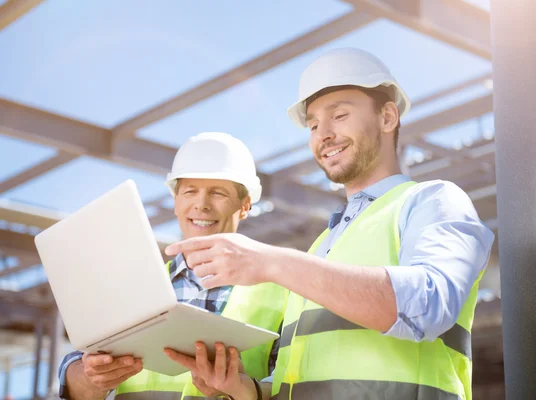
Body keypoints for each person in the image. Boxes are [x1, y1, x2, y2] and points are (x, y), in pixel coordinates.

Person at [163, 48, 495, 400]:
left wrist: (270, 262)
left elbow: (429, 305)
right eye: (314, 125)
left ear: (387, 116)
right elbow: (299, 379)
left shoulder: (433, 201)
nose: (323, 134)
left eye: (339, 115)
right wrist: (245, 390)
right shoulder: (324, 244)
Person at [57, 132, 289, 399]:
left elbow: (290, 388)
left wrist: (242, 390)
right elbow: (77, 372)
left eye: (217, 193)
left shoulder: (282, 292)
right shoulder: (133, 285)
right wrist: (90, 377)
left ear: (245, 205)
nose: (201, 205)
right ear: (176, 201)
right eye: (190, 191)